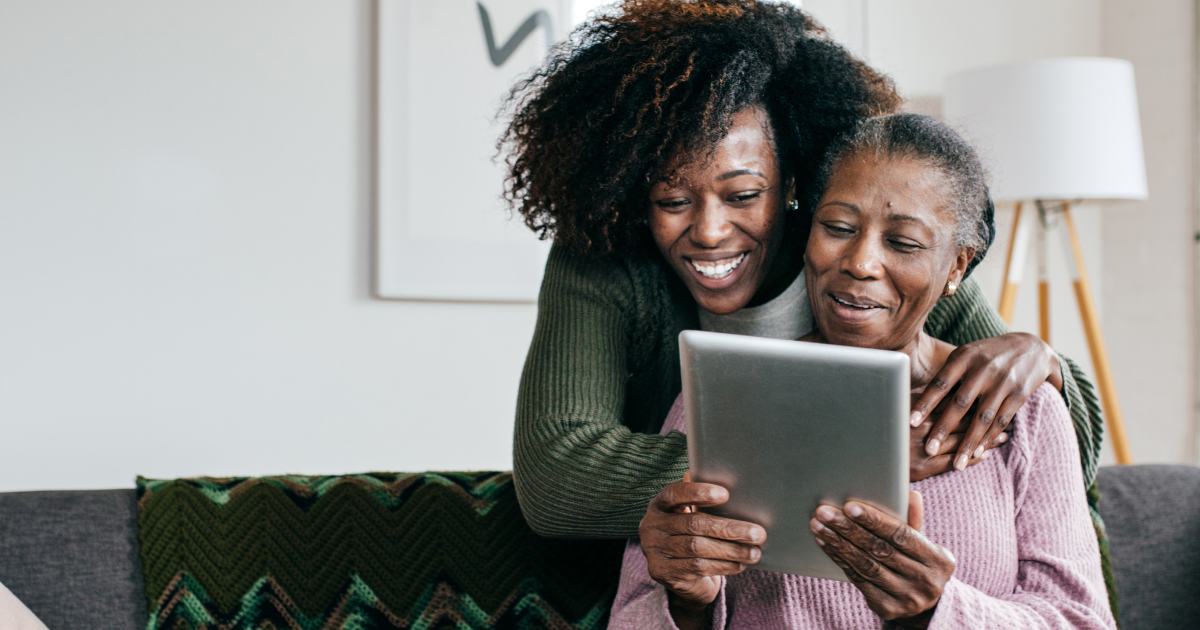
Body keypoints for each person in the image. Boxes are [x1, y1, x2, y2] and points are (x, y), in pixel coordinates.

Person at [502, 0, 1104, 546]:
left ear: (793, 184)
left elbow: (1064, 452)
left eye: (743, 195)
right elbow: (557, 479)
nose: (709, 231)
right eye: (672, 201)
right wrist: (850, 455)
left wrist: (1041, 362)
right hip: (684, 570)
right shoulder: (605, 255)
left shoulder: (872, 257)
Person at [610, 113, 1116, 629]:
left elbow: (1082, 621)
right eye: (838, 228)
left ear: (957, 267)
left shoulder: (1025, 412)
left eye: (903, 243)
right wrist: (684, 604)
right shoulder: (719, 392)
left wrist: (938, 612)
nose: (860, 262)